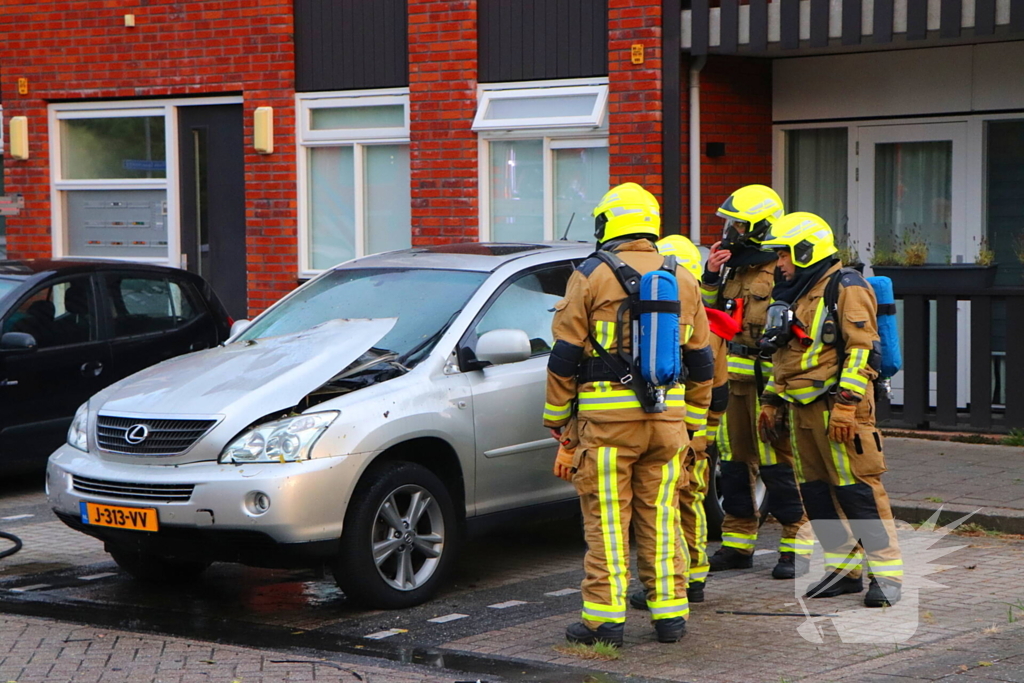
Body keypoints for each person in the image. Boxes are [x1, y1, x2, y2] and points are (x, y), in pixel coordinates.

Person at [544, 183, 714, 646]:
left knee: (608, 522)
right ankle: (670, 616)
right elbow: (703, 362)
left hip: (606, 427)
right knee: (660, 517)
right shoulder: (682, 277)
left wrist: (559, 422)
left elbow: (564, 356)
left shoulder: (591, 274)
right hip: (669, 425)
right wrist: (693, 424)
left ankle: (604, 621)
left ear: (608, 224)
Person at [756, 212, 903, 608]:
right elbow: (786, 356)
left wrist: (847, 406)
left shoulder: (846, 287)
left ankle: (886, 576)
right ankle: (843, 571)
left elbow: (862, 349)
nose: (779, 263)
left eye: (784, 254)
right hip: (801, 409)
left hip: (839, 410)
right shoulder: (796, 291)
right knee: (818, 495)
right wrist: (771, 400)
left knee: (859, 492)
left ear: (806, 251)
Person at [700, 186, 811, 580]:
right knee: (732, 463)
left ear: (761, 227)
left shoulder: (782, 266)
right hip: (734, 381)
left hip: (770, 381)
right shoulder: (735, 266)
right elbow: (710, 311)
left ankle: (796, 546)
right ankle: (738, 543)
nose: (730, 232)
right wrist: (711, 273)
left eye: (738, 225)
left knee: (778, 465)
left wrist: (783, 388)